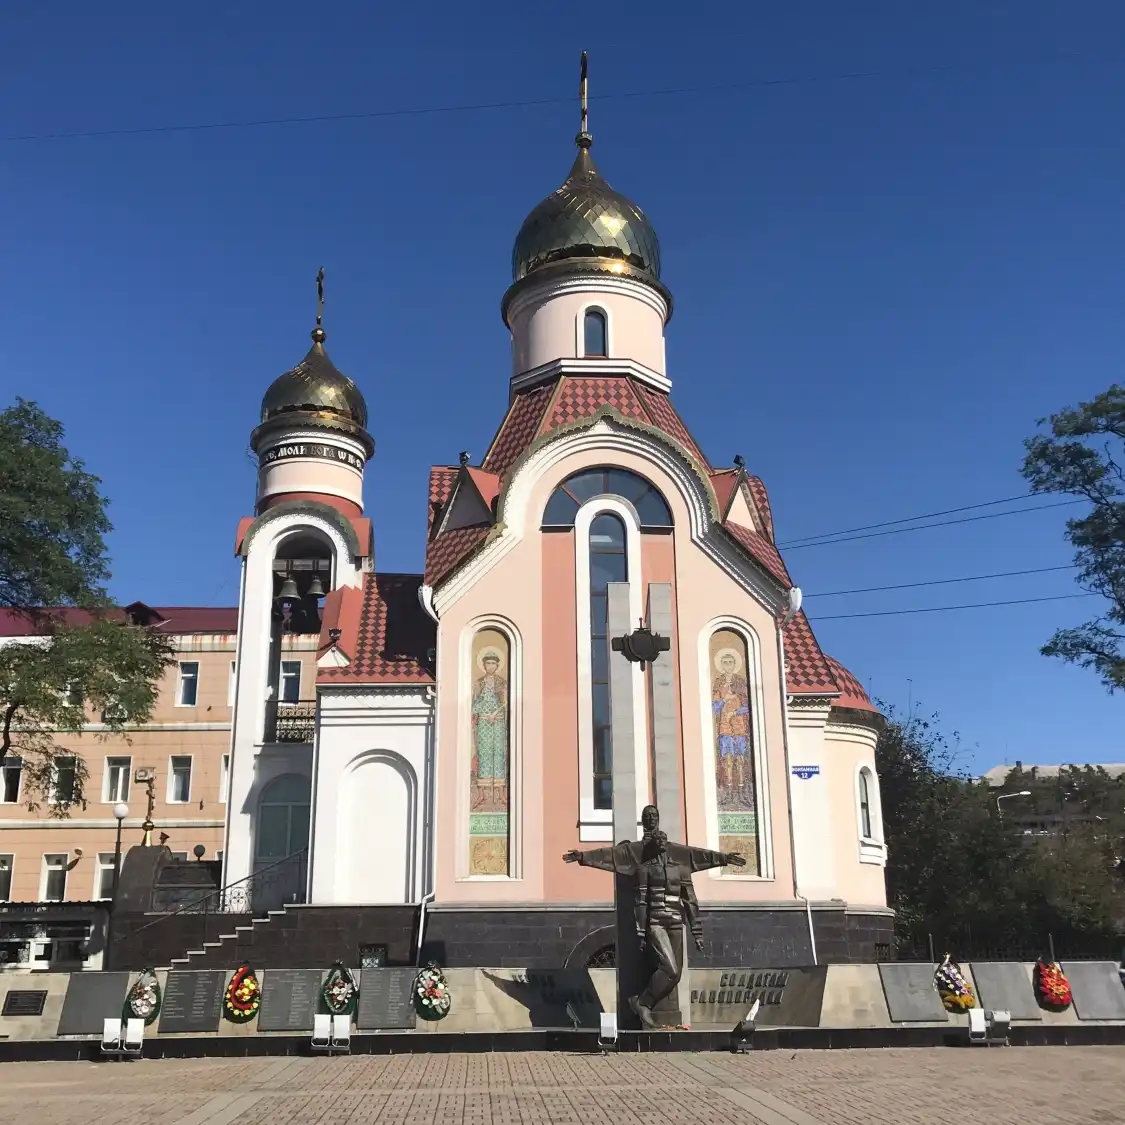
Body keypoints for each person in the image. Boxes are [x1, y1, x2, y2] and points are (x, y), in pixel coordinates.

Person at [564, 804, 745, 1028]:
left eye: (654, 816)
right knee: (670, 968)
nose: (651, 819)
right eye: (647, 816)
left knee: (675, 973)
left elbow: (696, 868)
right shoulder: (640, 860)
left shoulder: (680, 864)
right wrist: (583, 857)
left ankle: (645, 1004)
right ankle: (643, 1004)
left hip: (675, 921)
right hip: (656, 920)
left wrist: (724, 859)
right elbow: (612, 856)